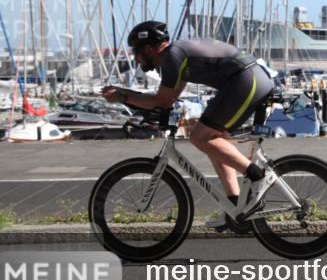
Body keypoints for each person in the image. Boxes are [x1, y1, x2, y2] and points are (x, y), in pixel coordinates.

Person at [102, 21, 276, 232]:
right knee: (213, 140)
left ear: (148, 48)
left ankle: (258, 175)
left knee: (200, 137)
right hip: (245, 80)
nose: (135, 58)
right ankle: (235, 207)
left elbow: (161, 101)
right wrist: (127, 98)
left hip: (247, 80)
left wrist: (122, 96)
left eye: (136, 51)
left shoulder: (173, 57)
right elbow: (167, 98)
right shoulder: (176, 56)